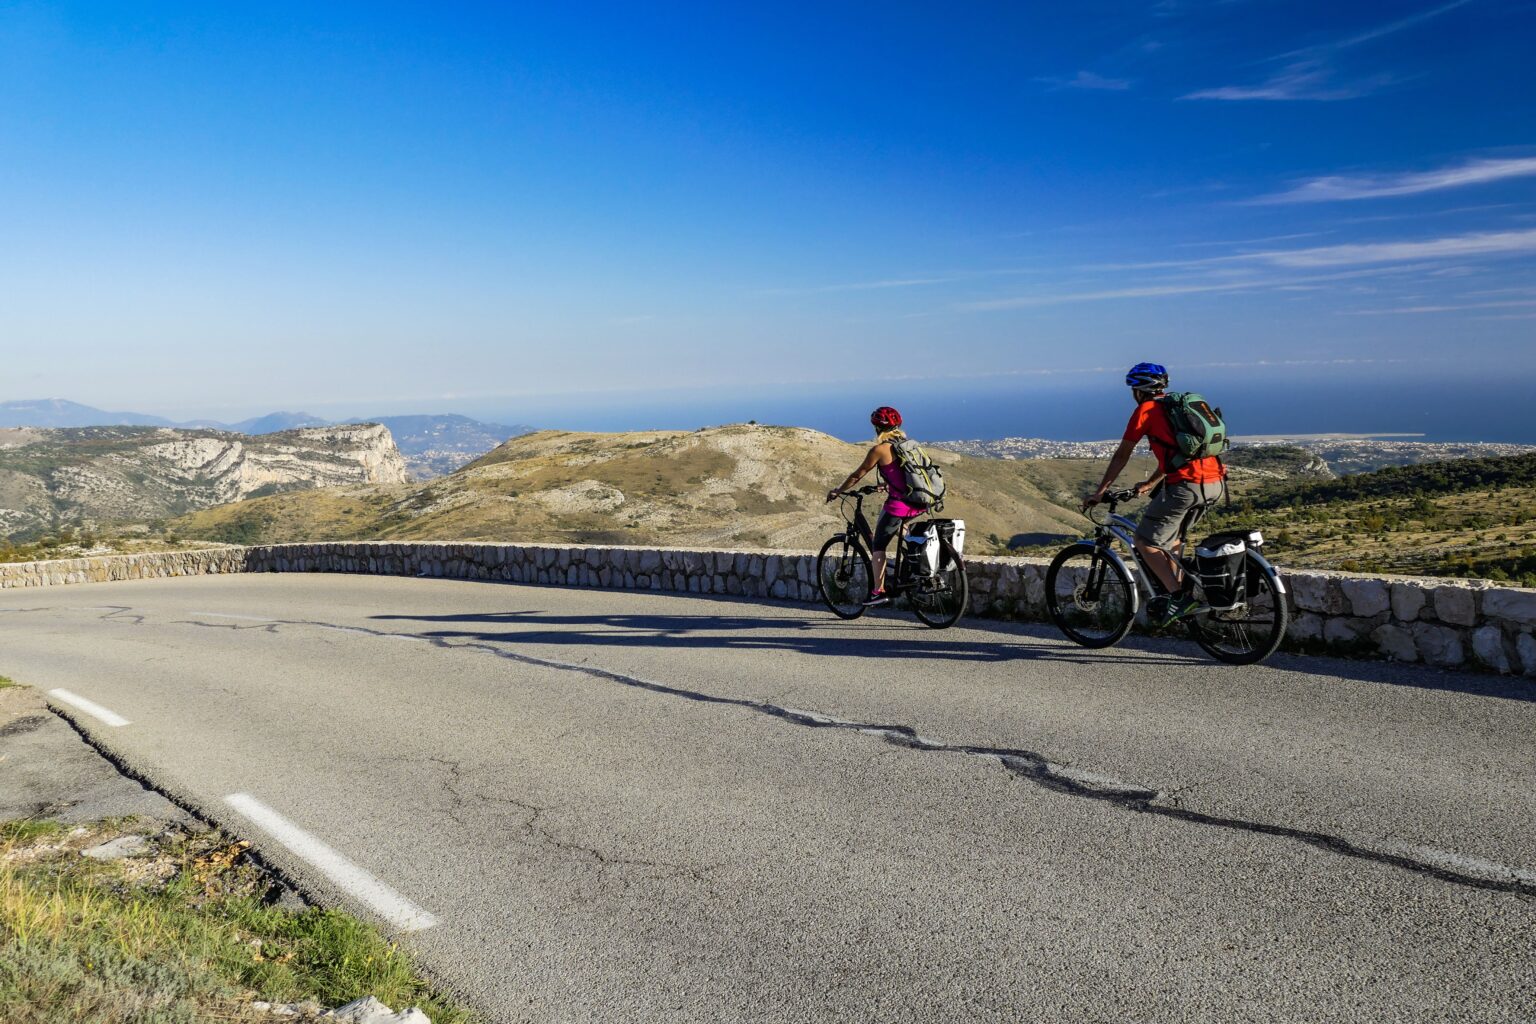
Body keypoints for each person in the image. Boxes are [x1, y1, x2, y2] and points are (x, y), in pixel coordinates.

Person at [1084, 363, 1227, 625]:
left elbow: (1122, 455)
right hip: (1216, 482)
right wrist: (1150, 483)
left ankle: (1179, 598)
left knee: (1144, 541)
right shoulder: (1176, 410)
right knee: (1172, 541)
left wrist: (1100, 491)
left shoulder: (1146, 410)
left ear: (1139, 391)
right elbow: (1176, 456)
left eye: (1133, 390)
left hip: (1186, 487)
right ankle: (1180, 592)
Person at [826, 406, 925, 607]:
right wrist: (887, 484)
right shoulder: (908, 445)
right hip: (919, 501)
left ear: (877, 428)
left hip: (900, 505)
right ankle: (911, 566)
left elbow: (857, 475)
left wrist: (838, 491)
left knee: (878, 545)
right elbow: (906, 474)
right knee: (901, 532)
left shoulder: (880, 449)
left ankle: (878, 591)